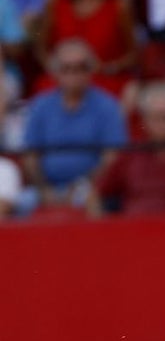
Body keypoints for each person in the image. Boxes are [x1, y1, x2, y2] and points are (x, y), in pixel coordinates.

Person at [22, 38, 127, 212]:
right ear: (56, 72)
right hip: (45, 189)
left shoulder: (108, 106)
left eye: (81, 67)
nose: (74, 74)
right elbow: (30, 156)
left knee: (94, 202)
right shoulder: (41, 106)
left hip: (92, 189)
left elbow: (112, 158)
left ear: (91, 70)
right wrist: (44, 190)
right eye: (67, 68)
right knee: (19, 204)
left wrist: (83, 186)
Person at [90, 82, 165, 215]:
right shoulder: (131, 154)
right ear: (145, 120)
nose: (162, 124)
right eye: (156, 118)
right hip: (132, 230)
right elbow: (95, 195)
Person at [34, 0, 139, 99]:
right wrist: (55, 67)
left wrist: (108, 68)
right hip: (62, 79)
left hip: (105, 80)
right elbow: (41, 47)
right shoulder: (55, 0)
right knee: (45, 91)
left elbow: (134, 55)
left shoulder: (120, 5)